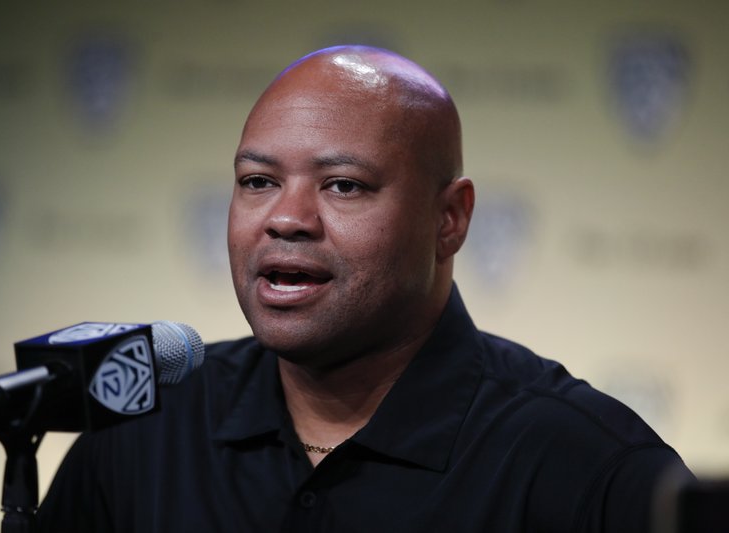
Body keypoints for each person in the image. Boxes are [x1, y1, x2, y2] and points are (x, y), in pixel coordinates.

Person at [36, 45, 692, 532]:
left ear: (449, 219)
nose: (286, 217)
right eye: (258, 181)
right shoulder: (146, 431)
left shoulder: (587, 462)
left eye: (343, 185)